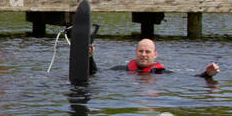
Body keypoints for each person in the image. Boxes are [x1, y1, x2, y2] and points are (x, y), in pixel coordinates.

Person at [89, 38, 219, 78]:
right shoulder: (121, 69)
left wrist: (207, 74)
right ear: (136, 52)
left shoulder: (161, 73)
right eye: (141, 51)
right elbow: (96, 72)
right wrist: (90, 57)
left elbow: (191, 79)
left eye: (147, 52)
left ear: (155, 54)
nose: (144, 54)